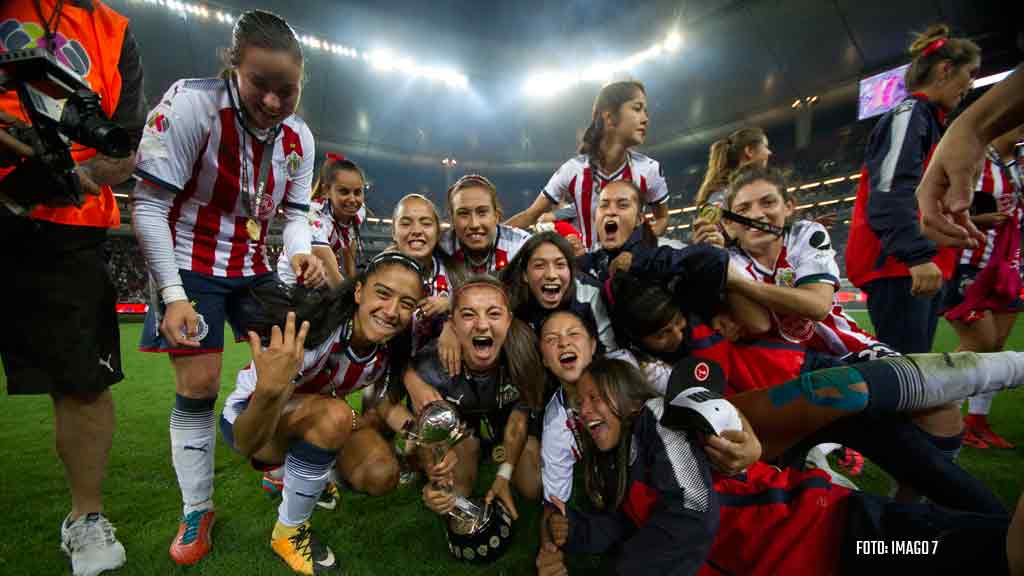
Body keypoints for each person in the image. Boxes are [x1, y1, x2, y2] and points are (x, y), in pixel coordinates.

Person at [131, 10, 324, 565]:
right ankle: (197, 510)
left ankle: (272, 463)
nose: (271, 101)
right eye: (259, 85)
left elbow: (293, 215)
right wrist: (172, 296)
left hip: (250, 264)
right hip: (189, 261)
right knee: (200, 382)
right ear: (233, 67)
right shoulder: (191, 105)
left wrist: (300, 253)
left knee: (292, 363)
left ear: (300, 84)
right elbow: (148, 204)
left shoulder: (298, 137)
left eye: (285, 90)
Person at [0, 1, 144, 574]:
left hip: (68, 223)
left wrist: (67, 179)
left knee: (85, 382)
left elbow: (124, 144)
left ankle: (85, 518)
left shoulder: (114, 30)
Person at [220, 252, 423, 574]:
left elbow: (384, 402)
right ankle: (288, 530)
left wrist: (422, 434)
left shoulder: (388, 347)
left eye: (406, 303)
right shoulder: (314, 335)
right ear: (359, 292)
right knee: (337, 415)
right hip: (249, 420)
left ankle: (293, 474)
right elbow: (246, 443)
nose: (392, 311)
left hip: (308, 414)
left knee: (382, 476)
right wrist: (270, 391)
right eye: (382, 294)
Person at [846, 24, 981, 354]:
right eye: (971, 73)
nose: (972, 84)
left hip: (911, 262)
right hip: (900, 265)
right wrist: (916, 255)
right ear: (945, 69)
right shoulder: (911, 113)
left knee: (912, 371)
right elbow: (892, 188)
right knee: (906, 376)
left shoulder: (930, 121)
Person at [539, 357, 721, 576]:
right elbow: (626, 524)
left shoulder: (660, 417)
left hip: (764, 539)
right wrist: (575, 529)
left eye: (594, 397)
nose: (584, 412)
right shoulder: (615, 461)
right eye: (579, 404)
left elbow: (694, 506)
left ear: (628, 396)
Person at [405, 276, 546, 522]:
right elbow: (425, 436)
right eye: (469, 315)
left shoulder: (524, 354)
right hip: (459, 427)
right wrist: (436, 479)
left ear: (509, 320)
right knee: (457, 493)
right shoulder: (431, 367)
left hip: (504, 416)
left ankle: (494, 449)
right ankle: (472, 449)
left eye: (493, 314)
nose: (482, 325)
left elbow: (518, 420)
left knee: (533, 485)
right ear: (453, 324)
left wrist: (504, 474)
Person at [723, 164, 895, 360]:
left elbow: (817, 306)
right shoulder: (728, 258)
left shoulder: (805, 234)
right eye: (743, 209)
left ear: (788, 207)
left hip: (848, 350)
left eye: (768, 202)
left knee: (912, 379)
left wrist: (738, 283)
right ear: (729, 222)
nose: (756, 215)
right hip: (786, 365)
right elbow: (758, 325)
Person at [506, 81, 670, 246]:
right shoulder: (572, 170)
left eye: (645, 111)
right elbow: (530, 216)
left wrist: (639, 246)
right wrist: (496, 235)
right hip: (586, 268)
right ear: (609, 117)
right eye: (637, 108)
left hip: (632, 268)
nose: (645, 119)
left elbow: (662, 218)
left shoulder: (650, 169)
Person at [942, 125, 1024, 449]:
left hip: (1007, 265)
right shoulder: (972, 154)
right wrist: (980, 220)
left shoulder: (1018, 162)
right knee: (980, 340)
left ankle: (977, 420)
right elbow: (943, 205)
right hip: (967, 261)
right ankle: (934, 406)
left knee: (996, 344)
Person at [918, 64, 1024, 247]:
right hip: (970, 258)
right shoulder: (973, 161)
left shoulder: (1015, 165)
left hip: (1004, 258)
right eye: (970, 73)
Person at [500, 231, 616, 352]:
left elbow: (612, 354)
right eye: (539, 265)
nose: (551, 275)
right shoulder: (510, 300)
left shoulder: (590, 292)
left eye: (560, 265)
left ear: (571, 270)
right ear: (525, 275)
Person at [391, 193, 460, 352]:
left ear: (437, 233)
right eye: (406, 223)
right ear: (393, 232)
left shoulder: (455, 272)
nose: (416, 230)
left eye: (426, 223)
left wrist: (451, 305)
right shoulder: (379, 273)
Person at [284, 152, 366, 287]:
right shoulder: (313, 216)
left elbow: (349, 246)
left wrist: (354, 282)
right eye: (344, 192)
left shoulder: (359, 211)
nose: (352, 199)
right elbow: (331, 273)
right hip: (293, 281)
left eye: (357, 192)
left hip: (319, 279)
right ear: (327, 191)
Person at [443, 174, 530, 275]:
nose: (474, 224)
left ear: (496, 216)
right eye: (464, 213)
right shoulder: (438, 250)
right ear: (452, 219)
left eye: (482, 212)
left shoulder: (521, 246)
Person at [694, 126, 771, 209]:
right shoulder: (723, 193)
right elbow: (707, 221)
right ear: (749, 151)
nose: (769, 152)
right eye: (765, 147)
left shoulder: (753, 185)